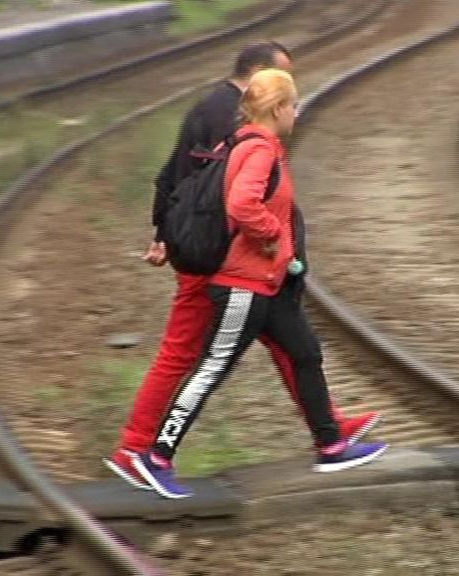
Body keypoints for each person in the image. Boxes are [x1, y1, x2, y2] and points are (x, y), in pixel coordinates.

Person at [104, 43, 379, 490]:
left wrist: (164, 232)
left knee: (293, 347)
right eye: (284, 80)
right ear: (261, 82)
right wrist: (267, 237)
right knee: (190, 356)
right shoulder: (230, 121)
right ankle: (138, 448)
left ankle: (330, 434)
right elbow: (221, 196)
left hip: (231, 259)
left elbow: (170, 176)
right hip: (219, 261)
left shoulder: (217, 111)